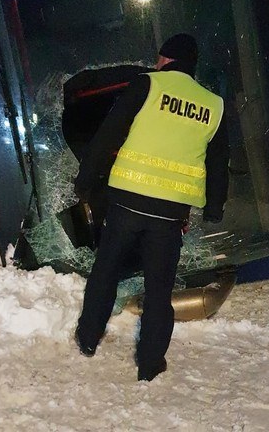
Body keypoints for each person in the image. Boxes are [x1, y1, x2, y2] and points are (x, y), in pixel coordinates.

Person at [74, 33, 229, 381]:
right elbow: (219, 163)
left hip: (126, 204)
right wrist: (214, 207)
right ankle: (150, 363)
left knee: (106, 272)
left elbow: (109, 133)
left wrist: (86, 180)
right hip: (170, 216)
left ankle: (88, 338)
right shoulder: (213, 105)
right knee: (160, 290)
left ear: (164, 59)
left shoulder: (148, 85)